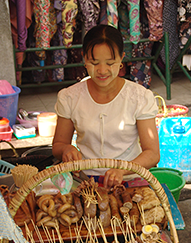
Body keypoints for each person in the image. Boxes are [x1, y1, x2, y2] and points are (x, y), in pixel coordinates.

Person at [52, 24, 160, 188]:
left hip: (130, 179)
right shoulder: (69, 97)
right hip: (84, 181)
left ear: (121, 58)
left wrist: (123, 170)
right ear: (84, 59)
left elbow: (152, 154)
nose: (102, 70)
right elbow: (58, 145)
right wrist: (67, 149)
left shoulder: (139, 97)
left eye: (110, 63)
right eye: (94, 63)